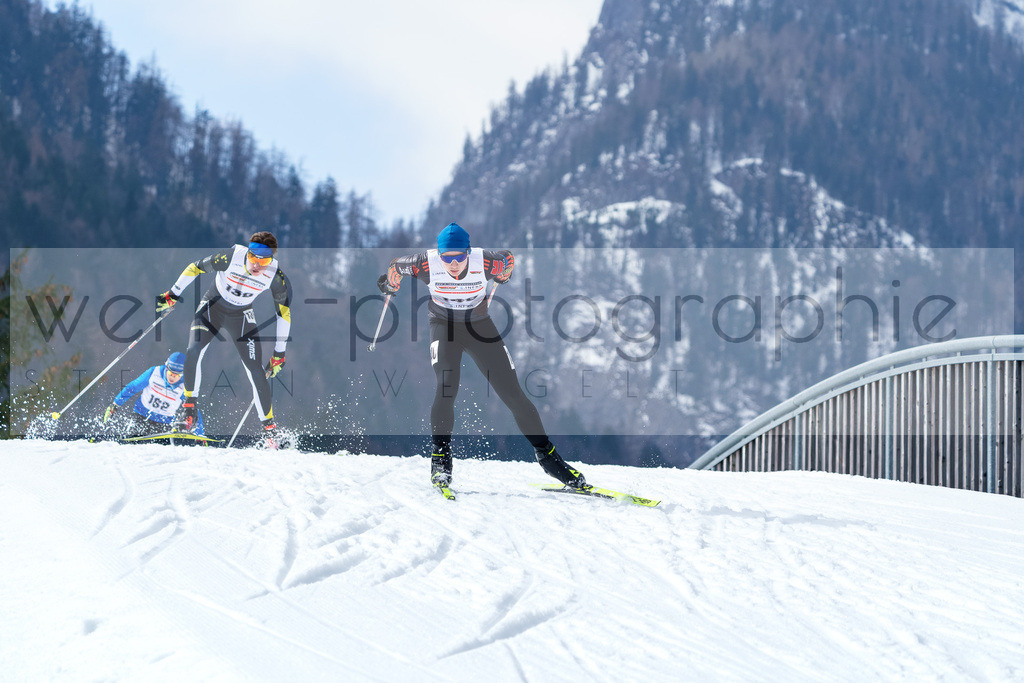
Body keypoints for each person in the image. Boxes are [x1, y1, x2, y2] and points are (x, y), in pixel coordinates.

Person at [377, 222, 587, 491]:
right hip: (444, 327)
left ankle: (549, 459)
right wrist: (389, 284)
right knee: (446, 385)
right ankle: (441, 459)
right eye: (447, 258)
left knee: (513, 394)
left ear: (468, 252)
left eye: (459, 257)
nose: (453, 264)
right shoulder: (425, 263)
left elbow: (508, 259)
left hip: (479, 327)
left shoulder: (484, 261)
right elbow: (396, 267)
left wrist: (504, 275)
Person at [155, 231, 292, 448]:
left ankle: (270, 431)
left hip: (242, 316)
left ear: (271, 260)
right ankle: (189, 411)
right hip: (213, 307)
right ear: (248, 252)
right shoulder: (231, 257)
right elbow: (195, 267)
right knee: (194, 350)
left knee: (255, 369)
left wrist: (279, 353)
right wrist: (173, 294)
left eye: (263, 261)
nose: (257, 265)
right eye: (254, 257)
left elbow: (283, 314)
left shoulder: (276, 277)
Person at [102, 351, 206, 437]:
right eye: (170, 373)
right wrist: (115, 404)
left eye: (177, 375)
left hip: (164, 422)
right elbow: (132, 388)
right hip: (141, 415)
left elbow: (192, 409)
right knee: (134, 439)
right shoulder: (154, 373)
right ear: (166, 368)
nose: (173, 377)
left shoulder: (185, 385)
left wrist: (200, 434)